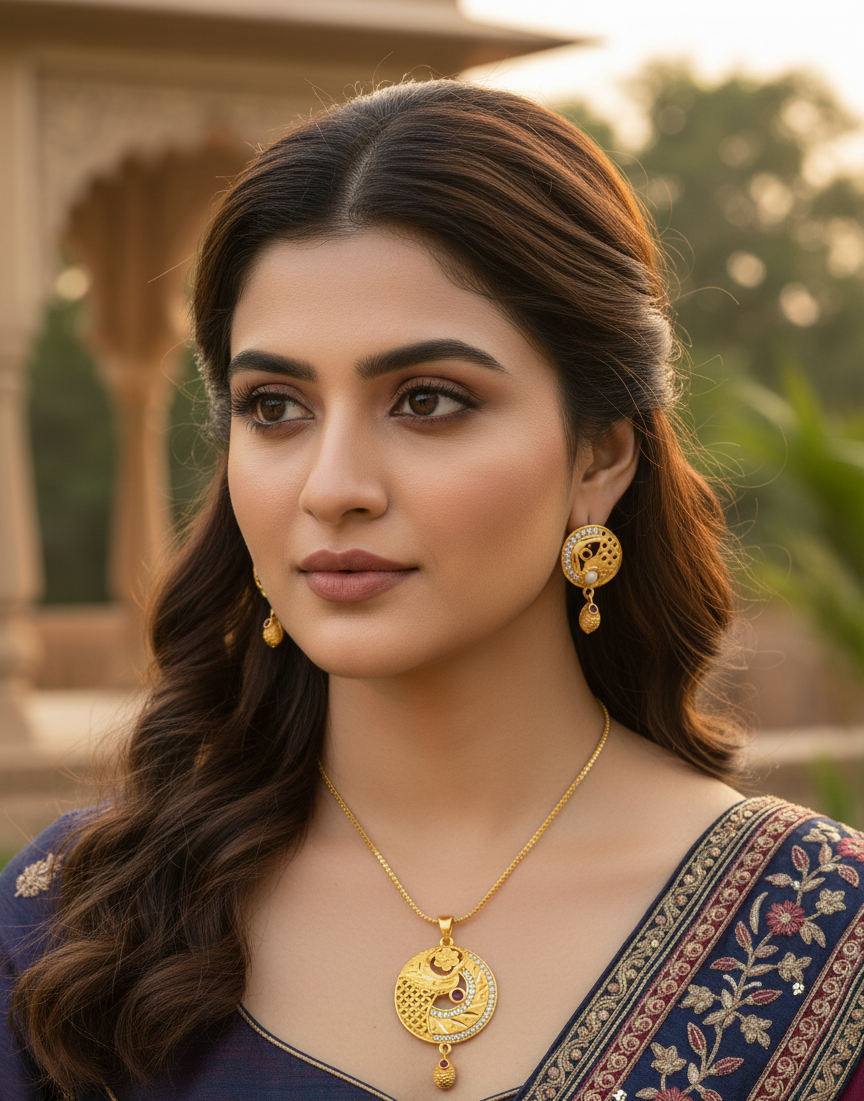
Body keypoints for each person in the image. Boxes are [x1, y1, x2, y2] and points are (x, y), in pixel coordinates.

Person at [2, 78, 863, 1101]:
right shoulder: (81, 932)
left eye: (427, 400)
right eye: (274, 406)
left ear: (599, 454)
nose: (332, 489)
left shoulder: (821, 934)